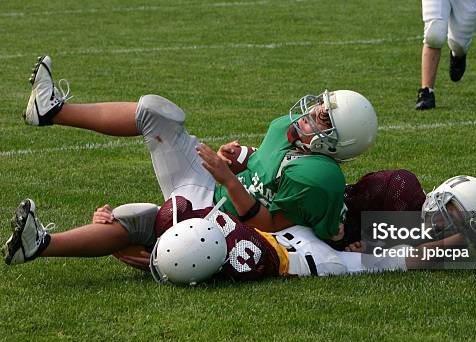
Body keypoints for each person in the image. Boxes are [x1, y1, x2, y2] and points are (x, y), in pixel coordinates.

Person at [17, 55, 378, 253]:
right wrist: (239, 157)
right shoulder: (286, 126)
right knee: (157, 113)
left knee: (135, 219)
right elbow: (265, 162)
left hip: (225, 223)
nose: (314, 111)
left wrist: (227, 178)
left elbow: (267, 225)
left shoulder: (321, 178)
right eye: (321, 104)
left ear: (336, 144)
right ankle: (52, 111)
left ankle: (40, 244)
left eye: (326, 118)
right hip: (214, 185)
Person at [3, 170, 476, 285]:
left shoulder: (231, 252)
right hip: (298, 231)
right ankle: (45, 244)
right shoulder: (391, 202)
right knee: (142, 220)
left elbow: (161, 258)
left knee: (141, 218)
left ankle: (43, 244)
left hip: (283, 235)